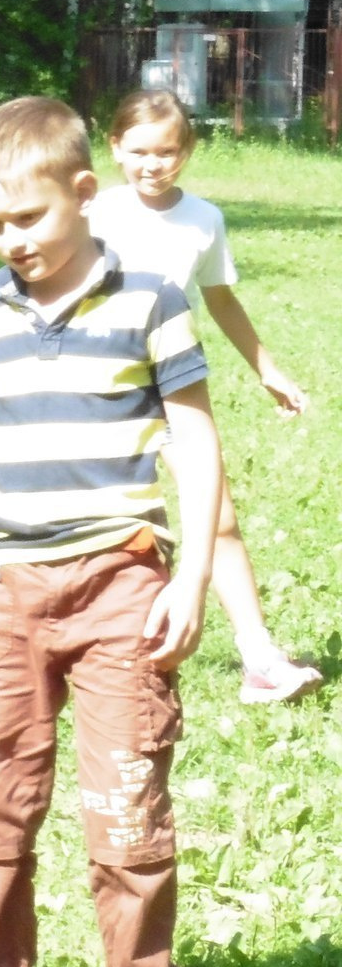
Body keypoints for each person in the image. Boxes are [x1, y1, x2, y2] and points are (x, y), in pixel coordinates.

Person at [0, 97, 222, 967]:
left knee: (127, 799)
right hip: (2, 588)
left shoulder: (151, 299)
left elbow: (200, 447)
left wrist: (193, 579)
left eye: (28, 218)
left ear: (85, 194)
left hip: (121, 584)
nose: (11, 240)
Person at [90, 89, 320, 705]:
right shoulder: (93, 212)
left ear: (186, 152)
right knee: (94, 517)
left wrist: (267, 369)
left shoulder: (204, 220)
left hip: (175, 379)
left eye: (167, 151)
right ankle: (77, 646)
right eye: (138, 150)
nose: (152, 163)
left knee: (216, 516)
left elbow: (220, 300)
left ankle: (260, 660)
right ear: (114, 148)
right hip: (98, 380)